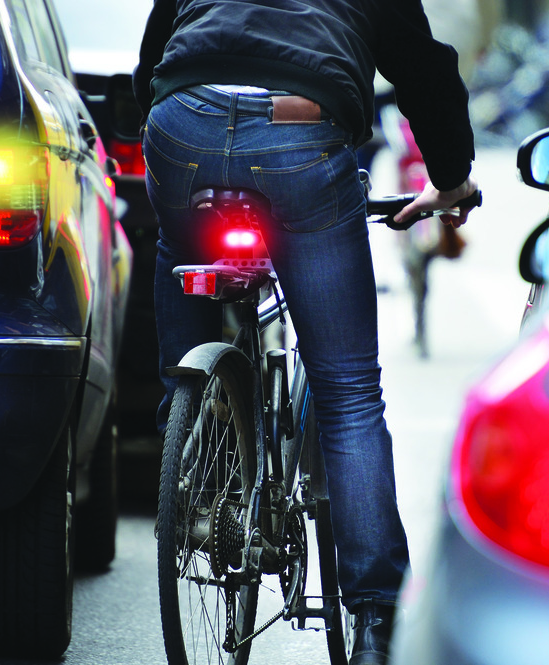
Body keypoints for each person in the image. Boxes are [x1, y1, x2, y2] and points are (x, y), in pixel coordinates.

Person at [133, 1, 479, 663]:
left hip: (182, 122)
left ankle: (193, 444)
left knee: (177, 250)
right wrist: (449, 180)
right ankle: (375, 618)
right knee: (348, 394)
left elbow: (151, 60)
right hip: (300, 130)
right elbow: (423, 71)